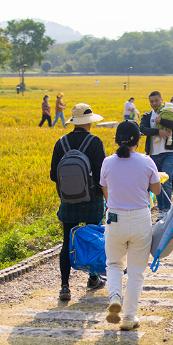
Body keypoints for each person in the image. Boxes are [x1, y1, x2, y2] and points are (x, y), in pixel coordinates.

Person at [100, 121, 163, 331]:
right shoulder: (146, 161)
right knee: (136, 271)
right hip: (139, 219)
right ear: (138, 140)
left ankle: (115, 296)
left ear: (117, 139)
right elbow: (156, 189)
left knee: (114, 264)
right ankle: (129, 317)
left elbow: (106, 192)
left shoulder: (108, 162)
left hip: (115, 219)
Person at [50, 103, 107, 301]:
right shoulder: (95, 142)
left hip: (68, 201)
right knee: (92, 238)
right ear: (89, 122)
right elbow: (102, 175)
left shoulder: (61, 142)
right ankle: (93, 277)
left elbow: (53, 175)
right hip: (93, 200)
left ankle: (65, 286)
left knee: (67, 241)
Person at [140, 91, 173, 217]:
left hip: (169, 152)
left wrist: (161, 120)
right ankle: (161, 210)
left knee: (167, 180)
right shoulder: (147, 116)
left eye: (156, 100)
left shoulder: (170, 113)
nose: (154, 103)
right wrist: (159, 132)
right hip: (153, 154)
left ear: (162, 100)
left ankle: (166, 210)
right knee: (156, 181)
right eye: (151, 101)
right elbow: (143, 129)